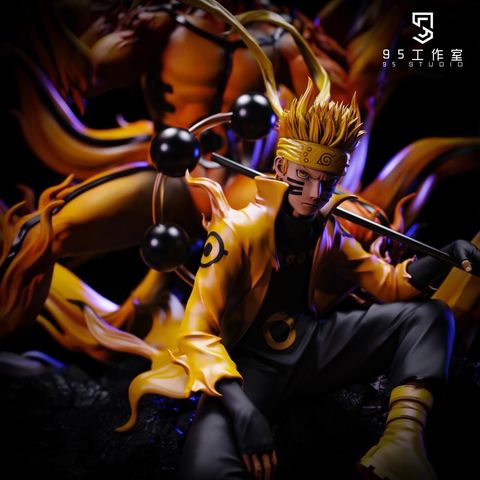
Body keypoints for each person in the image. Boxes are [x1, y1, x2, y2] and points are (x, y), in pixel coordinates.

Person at [164, 78, 480, 480]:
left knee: (430, 316)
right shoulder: (236, 232)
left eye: (327, 182)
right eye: (304, 176)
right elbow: (196, 334)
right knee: (203, 468)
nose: (314, 193)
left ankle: (401, 443)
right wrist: (242, 411)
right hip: (249, 369)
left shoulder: (327, 230)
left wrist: (445, 255)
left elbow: (389, 286)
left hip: (313, 348)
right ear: (281, 167)